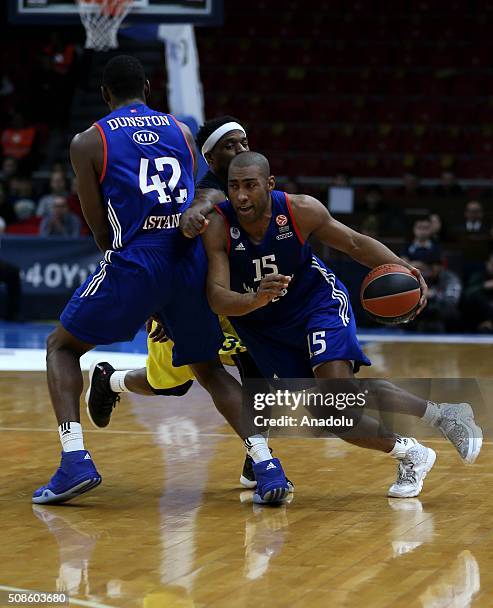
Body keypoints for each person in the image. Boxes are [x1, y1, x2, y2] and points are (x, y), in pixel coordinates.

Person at [33, 57, 288, 507]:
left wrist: (139, 285)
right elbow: (191, 199)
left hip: (138, 258)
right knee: (207, 368)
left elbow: (97, 225)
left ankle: (75, 460)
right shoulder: (181, 131)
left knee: (62, 345)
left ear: (105, 94)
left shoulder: (88, 141)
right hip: (187, 259)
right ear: (148, 88)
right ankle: (267, 466)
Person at [202, 151, 482, 498]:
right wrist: (253, 301)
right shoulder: (218, 225)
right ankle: (412, 452)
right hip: (262, 324)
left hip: (315, 304)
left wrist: (405, 267)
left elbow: (354, 244)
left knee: (338, 391)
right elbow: (216, 296)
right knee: (333, 414)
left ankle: (444, 417)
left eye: (250, 186)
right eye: (233, 186)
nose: (241, 196)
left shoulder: (300, 210)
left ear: (269, 184)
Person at [85, 116, 292, 491]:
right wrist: (159, 306)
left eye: (244, 142)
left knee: (259, 374)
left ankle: (256, 457)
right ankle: (109, 380)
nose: (241, 150)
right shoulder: (207, 192)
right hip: (189, 302)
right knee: (169, 385)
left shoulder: (259, 192)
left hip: (234, 301)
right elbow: (203, 205)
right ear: (210, 159)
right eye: (230, 146)